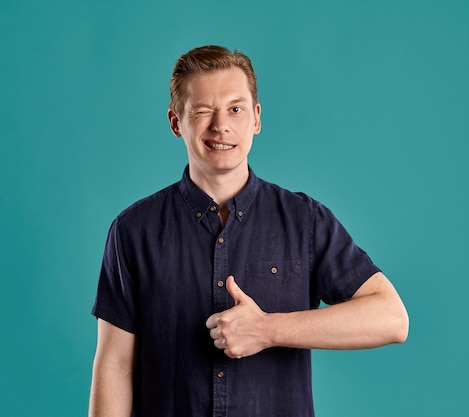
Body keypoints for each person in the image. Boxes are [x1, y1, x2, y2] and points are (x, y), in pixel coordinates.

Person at [88, 45, 409, 417]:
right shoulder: (133, 231)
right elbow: (115, 365)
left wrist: (267, 330)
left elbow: (391, 318)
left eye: (235, 109)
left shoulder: (305, 221)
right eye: (203, 111)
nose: (221, 125)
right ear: (176, 122)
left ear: (256, 118)